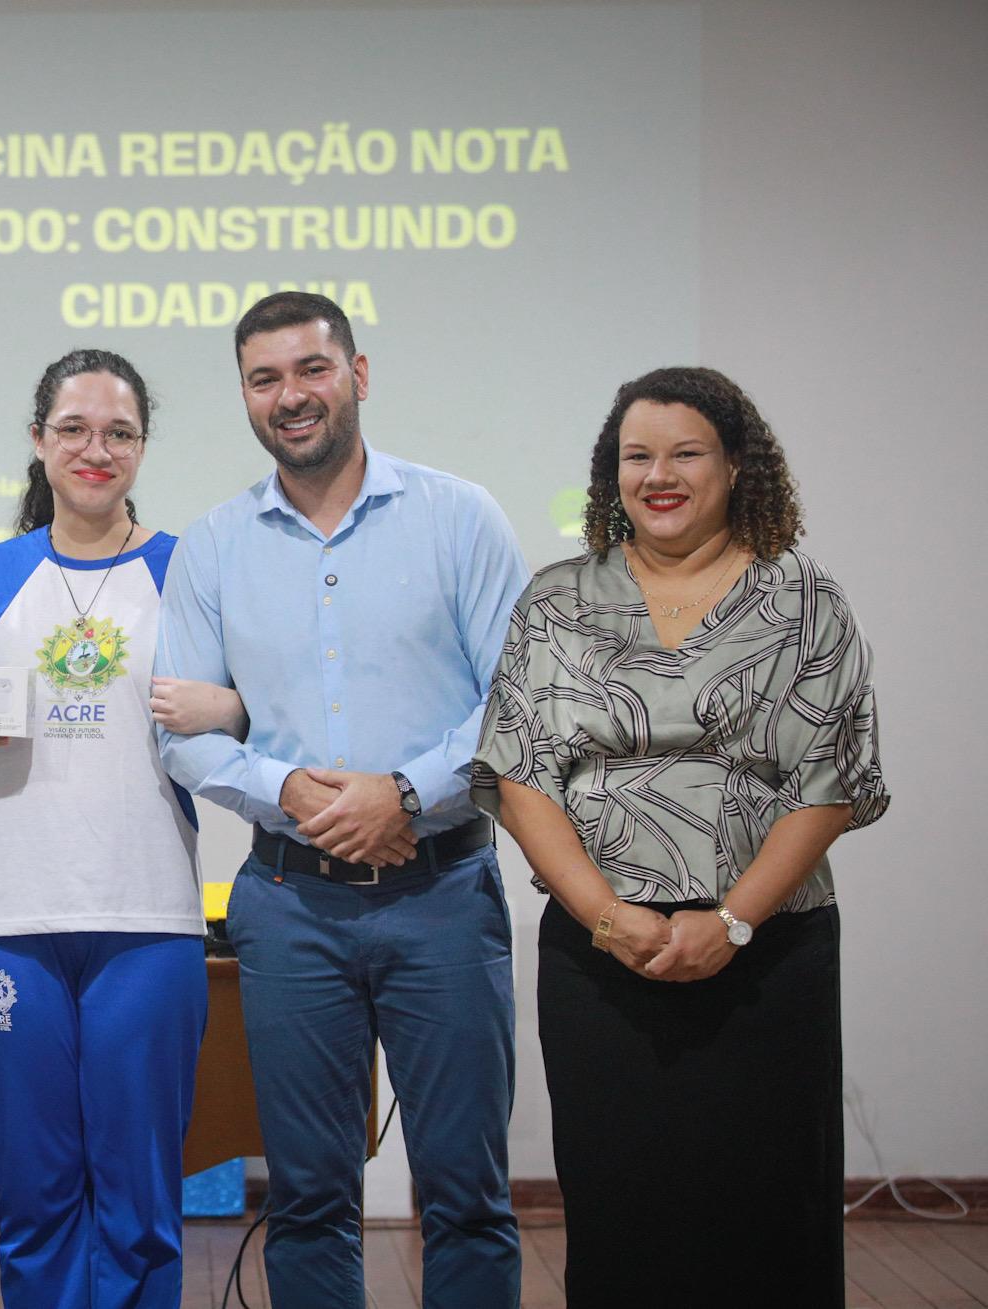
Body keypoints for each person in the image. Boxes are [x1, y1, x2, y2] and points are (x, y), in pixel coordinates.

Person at [470, 366, 887, 1307]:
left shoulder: (804, 599)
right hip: (602, 958)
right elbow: (521, 777)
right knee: (624, 1213)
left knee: (770, 1216)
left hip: (768, 952)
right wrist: (607, 916)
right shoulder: (556, 600)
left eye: (686, 453)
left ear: (736, 465)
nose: (658, 475)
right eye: (637, 456)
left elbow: (830, 784)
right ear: (610, 474)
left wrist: (732, 921)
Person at [154, 291, 529, 1307]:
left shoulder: (459, 517)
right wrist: (286, 787)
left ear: (356, 374)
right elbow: (180, 731)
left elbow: (517, 704)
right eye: (264, 378)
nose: (290, 395)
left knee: (467, 1195)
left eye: (310, 369)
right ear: (244, 395)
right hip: (290, 906)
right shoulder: (213, 545)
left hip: (443, 895)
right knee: (309, 1198)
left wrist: (403, 794)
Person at [0, 349, 239, 1308]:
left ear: (142, 446)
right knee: (35, 1192)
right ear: (38, 440)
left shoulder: (189, 568)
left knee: (140, 1198)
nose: (95, 449)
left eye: (118, 432)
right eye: (73, 429)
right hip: (8, 918)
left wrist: (232, 707)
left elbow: (261, 705)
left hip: (148, 915)